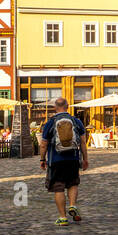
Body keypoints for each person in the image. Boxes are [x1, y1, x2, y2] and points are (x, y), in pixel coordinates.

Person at [39, 97, 89, 226]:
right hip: (73, 158)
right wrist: (85, 159)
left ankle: (63, 217)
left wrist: (42, 159)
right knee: (73, 183)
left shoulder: (50, 123)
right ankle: (72, 205)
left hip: (56, 159)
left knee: (58, 188)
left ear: (55, 107)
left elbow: (44, 144)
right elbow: (83, 142)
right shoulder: (76, 121)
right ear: (67, 107)